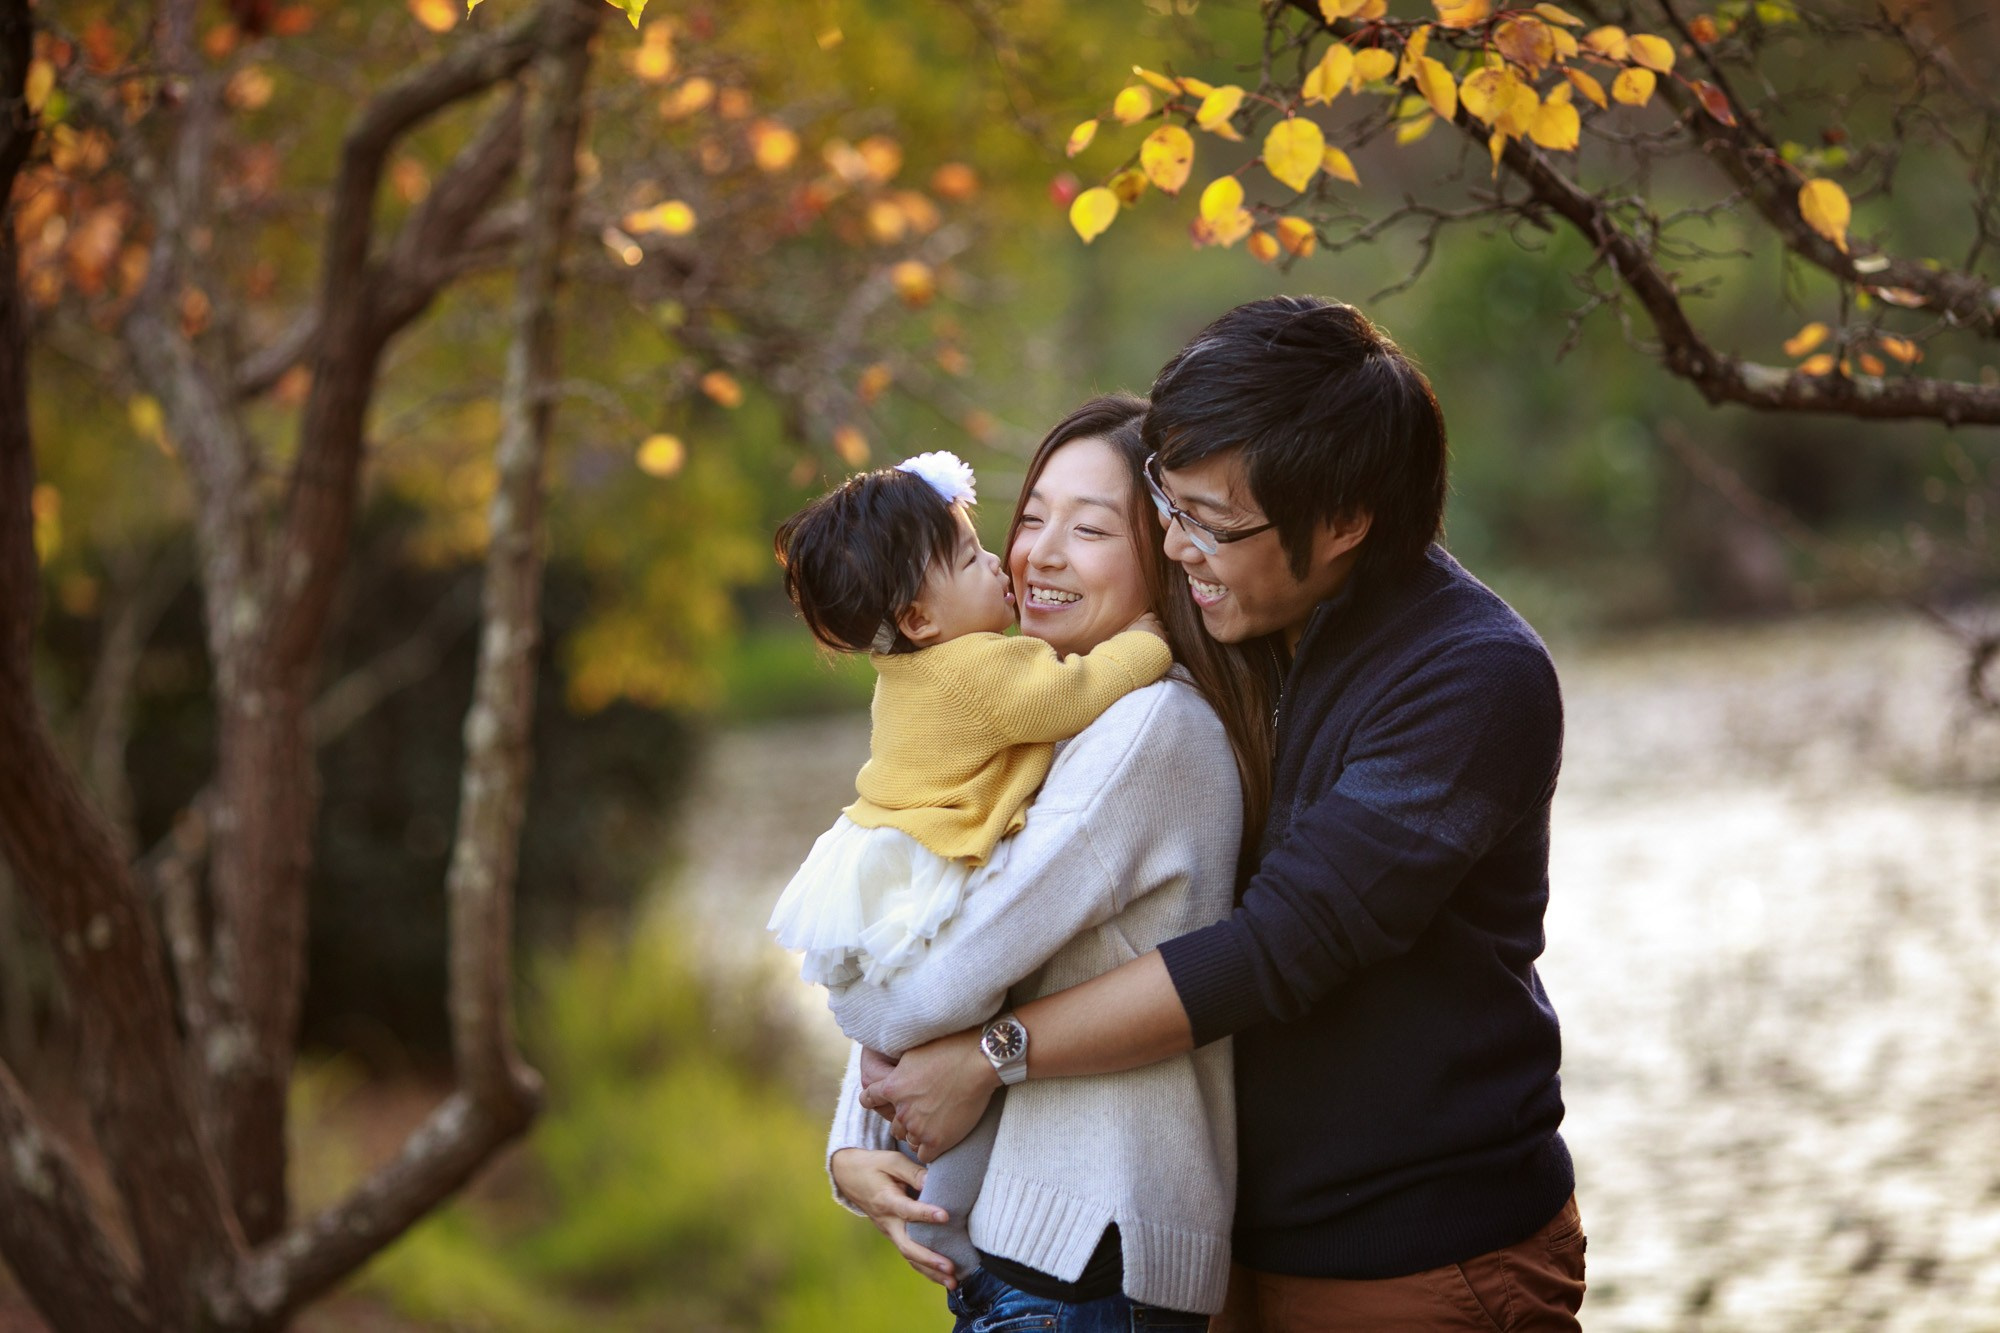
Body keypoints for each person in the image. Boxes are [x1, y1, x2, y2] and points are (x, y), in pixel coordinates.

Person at [861, 297, 1586, 1332]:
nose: (1175, 542)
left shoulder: (1469, 678)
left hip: (1417, 1260)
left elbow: (1279, 947)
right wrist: (867, 1119)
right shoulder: (1211, 642)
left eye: (1209, 520)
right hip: (1212, 1257)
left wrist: (991, 1054)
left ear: (1340, 520)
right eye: (1166, 500)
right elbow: (968, 868)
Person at [822, 395, 1277, 1329]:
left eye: (1091, 527)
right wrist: (855, 1141)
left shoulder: (1148, 725)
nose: (1040, 553)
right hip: (1036, 1257)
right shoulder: (1038, 726)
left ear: (1164, 550)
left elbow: (934, 977)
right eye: (1030, 518)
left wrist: (850, 1015)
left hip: (1083, 1255)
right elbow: (933, 911)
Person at [766, 447, 1174, 1274]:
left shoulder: (911, 671)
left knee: (933, 1036)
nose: (1007, 561)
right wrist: (1152, 641)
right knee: (940, 1031)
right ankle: (947, 1217)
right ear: (920, 617)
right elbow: (1076, 691)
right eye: (977, 553)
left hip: (890, 865)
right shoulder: (983, 667)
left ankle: (940, 1210)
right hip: (932, 862)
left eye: (1090, 527)